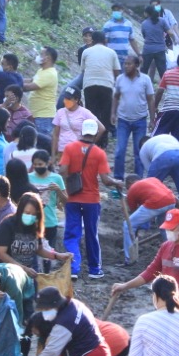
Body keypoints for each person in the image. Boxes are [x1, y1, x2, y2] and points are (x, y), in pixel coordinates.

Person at [110, 209, 179, 320]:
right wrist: (125, 286)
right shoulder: (165, 246)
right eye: (167, 228)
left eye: (172, 228)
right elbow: (152, 272)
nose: (168, 231)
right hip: (164, 308)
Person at [60, 118, 123, 279]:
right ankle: (94, 269)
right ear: (95, 134)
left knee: (72, 234)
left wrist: (72, 178)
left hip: (73, 198)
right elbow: (106, 180)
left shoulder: (69, 148)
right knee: (91, 234)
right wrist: (117, 182)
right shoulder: (99, 153)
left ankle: (74, 268)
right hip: (91, 200)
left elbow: (63, 170)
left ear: (82, 131)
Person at [0, 192, 70, 281]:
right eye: (27, 213)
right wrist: (23, 268)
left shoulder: (35, 225)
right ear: (20, 210)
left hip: (28, 274)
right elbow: (1, 253)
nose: (30, 216)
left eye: (34, 214)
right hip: (7, 274)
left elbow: (39, 249)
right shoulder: (7, 225)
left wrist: (57, 255)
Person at [111, 54, 156, 183]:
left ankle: (138, 181)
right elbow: (116, 96)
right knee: (120, 150)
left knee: (139, 152)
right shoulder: (120, 79)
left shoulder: (145, 79)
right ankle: (118, 179)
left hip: (140, 120)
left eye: (129, 64)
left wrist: (152, 119)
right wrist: (113, 113)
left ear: (136, 66)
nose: (126, 66)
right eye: (125, 63)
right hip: (123, 120)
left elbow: (150, 99)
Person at [139, 133, 179, 224]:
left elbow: (151, 179)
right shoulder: (166, 137)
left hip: (163, 157)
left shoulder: (142, 150)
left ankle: (146, 222)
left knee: (150, 188)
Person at [121, 176, 176, 265]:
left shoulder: (132, 189)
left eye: (126, 186)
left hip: (156, 203)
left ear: (130, 183)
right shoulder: (152, 179)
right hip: (171, 201)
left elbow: (133, 213)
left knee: (127, 225)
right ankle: (172, 253)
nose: (127, 189)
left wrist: (135, 233)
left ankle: (129, 258)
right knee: (164, 227)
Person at [79, 30, 120, 145]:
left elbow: (83, 69)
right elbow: (116, 71)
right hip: (106, 85)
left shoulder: (86, 52)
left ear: (92, 40)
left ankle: (91, 140)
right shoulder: (111, 52)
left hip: (89, 85)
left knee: (92, 113)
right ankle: (103, 141)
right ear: (105, 40)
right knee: (105, 113)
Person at [28, 150, 66, 256]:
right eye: (35, 164)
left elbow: (66, 201)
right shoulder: (28, 177)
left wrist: (58, 190)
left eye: (40, 164)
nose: (37, 167)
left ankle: (47, 272)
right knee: (32, 254)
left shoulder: (56, 178)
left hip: (49, 221)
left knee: (49, 254)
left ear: (48, 163)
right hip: (32, 222)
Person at [153, 51, 179, 144]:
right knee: (178, 142)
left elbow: (159, 92)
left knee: (157, 138)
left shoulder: (167, 74)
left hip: (168, 110)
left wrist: (155, 106)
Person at [21, 46, 60, 137]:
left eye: (41, 54)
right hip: (38, 114)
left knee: (41, 142)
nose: (39, 56)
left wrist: (13, 83)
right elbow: (31, 80)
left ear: (48, 58)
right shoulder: (42, 71)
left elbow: (29, 87)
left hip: (44, 116)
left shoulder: (49, 74)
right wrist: (16, 78)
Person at [139, 6, 170, 82]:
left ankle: (143, 86)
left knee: (144, 70)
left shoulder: (144, 24)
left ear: (147, 13)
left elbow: (144, 35)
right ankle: (165, 88)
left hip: (148, 50)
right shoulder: (162, 21)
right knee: (162, 71)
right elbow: (169, 32)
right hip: (160, 50)